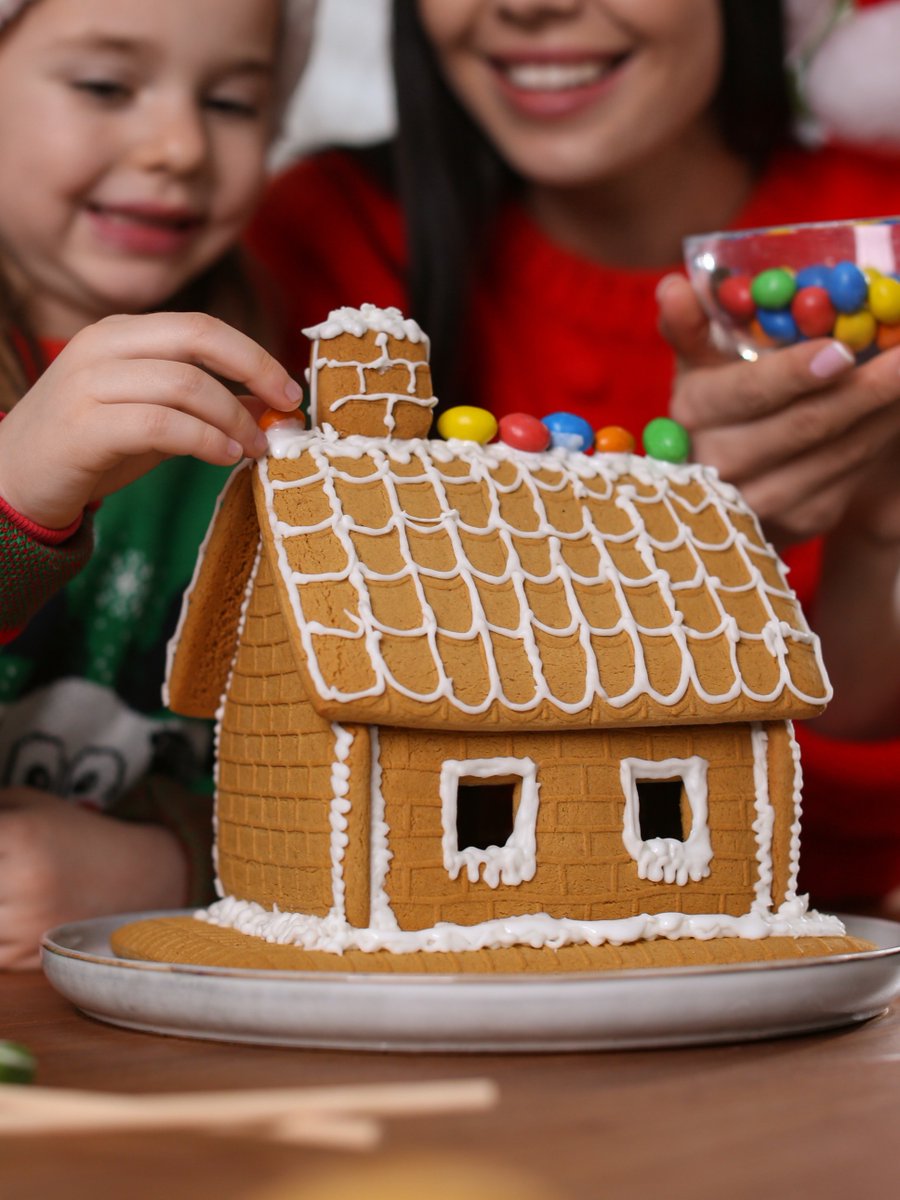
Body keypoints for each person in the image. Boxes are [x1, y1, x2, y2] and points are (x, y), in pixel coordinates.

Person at [247, 0, 900, 915]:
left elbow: (819, 886)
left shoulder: (875, 249)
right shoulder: (324, 248)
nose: (528, 5)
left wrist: (878, 528)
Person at [0, 0, 317, 969]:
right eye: (104, 86)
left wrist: (177, 868)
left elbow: (363, 788)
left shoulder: (286, 398)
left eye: (230, 102)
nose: (180, 145)